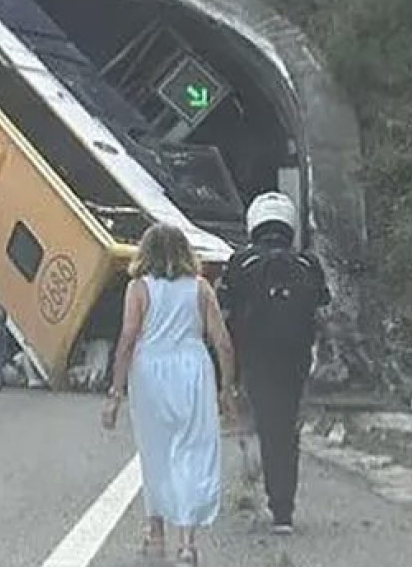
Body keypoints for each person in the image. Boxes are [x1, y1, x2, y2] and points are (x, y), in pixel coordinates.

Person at [103, 224, 237, 566]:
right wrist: (227, 388)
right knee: (192, 451)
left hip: (150, 371)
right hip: (193, 369)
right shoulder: (201, 288)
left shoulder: (138, 288)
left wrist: (115, 391)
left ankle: (155, 531)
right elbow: (222, 341)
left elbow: (128, 337)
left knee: (156, 452)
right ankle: (188, 543)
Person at [217, 192, 331, 535]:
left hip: (257, 354)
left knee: (269, 424)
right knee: (284, 427)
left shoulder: (240, 261)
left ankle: (273, 498)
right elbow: (323, 303)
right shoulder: (308, 264)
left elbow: (224, 308)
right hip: (295, 357)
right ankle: (284, 506)